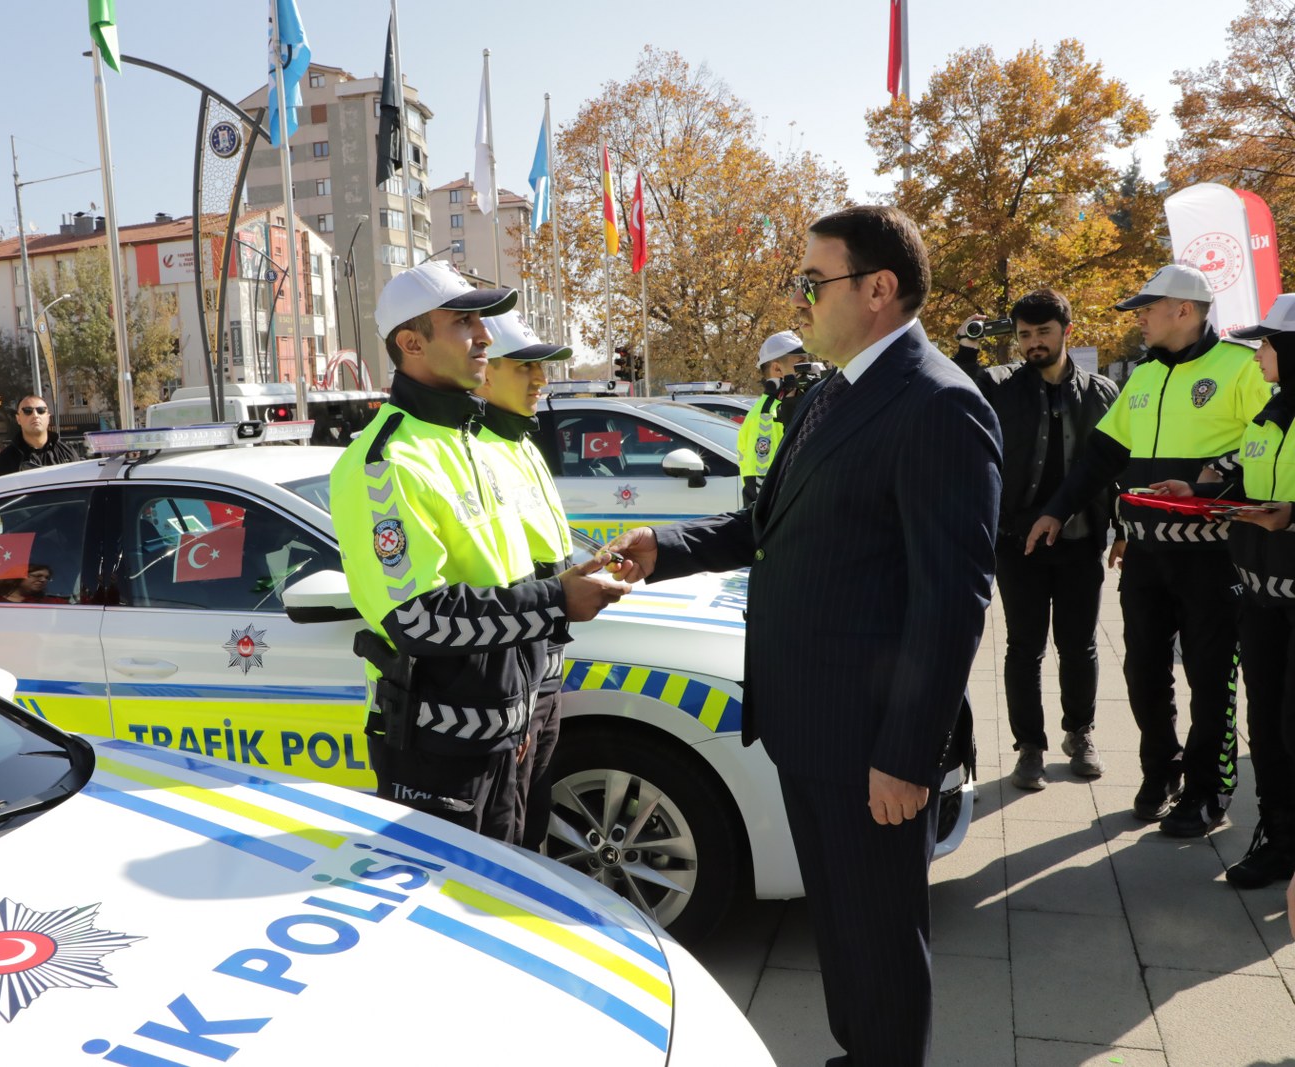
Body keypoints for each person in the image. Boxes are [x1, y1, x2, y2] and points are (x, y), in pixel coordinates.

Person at [608, 204, 1002, 1067]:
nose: (801, 298)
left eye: (812, 281)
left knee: (883, 938)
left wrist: (907, 754)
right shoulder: (830, 392)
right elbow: (769, 521)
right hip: (803, 723)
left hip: (871, 746)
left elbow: (952, 599)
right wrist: (661, 547)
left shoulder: (938, 404)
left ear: (878, 288)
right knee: (842, 925)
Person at [329, 260, 629, 842]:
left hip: (508, 727)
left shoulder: (470, 440)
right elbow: (416, 619)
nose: (486, 336)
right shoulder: (386, 460)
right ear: (412, 343)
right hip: (441, 750)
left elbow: (505, 576)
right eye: (465, 321)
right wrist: (558, 598)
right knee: (451, 914)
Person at [1028, 265, 1271, 835]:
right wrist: (1055, 511)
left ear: (1183, 310)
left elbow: (1273, 437)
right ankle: (1160, 771)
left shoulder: (1240, 366)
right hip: (1144, 554)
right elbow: (1102, 455)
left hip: (1215, 558)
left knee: (1211, 677)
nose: (1138, 315)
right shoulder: (1142, 376)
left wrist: (1216, 479)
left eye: (1147, 306)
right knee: (1143, 671)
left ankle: (1209, 790)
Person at [1148, 295, 1295, 887]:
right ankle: (1280, 840)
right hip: (1259, 598)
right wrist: (1198, 489)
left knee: (1291, 726)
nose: (1257, 353)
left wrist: (1289, 517)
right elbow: (1240, 473)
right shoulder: (1269, 415)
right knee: (1267, 728)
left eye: (1266, 343)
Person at [953, 290, 1120, 790]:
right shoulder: (1000, 385)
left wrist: (1124, 528)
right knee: (1024, 648)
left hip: (1080, 539)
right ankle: (1029, 746)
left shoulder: (1100, 393)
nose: (1033, 343)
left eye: (1043, 332)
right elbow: (953, 396)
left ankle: (1080, 733)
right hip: (1017, 541)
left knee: (1080, 645)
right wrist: (966, 348)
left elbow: (1117, 466)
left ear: (1066, 331)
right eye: (1024, 335)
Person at [473, 310, 575, 851]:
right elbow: (498, 583)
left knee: (533, 820)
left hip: (546, 675)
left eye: (543, 368)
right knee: (506, 840)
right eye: (524, 368)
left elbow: (545, 556)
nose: (541, 380)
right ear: (485, 372)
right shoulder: (477, 453)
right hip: (519, 679)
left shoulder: (520, 442)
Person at [737, 330, 805, 504]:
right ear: (777, 369)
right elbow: (760, 477)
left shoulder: (789, 404)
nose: (808, 368)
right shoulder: (767, 414)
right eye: (801, 362)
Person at [0, 395, 79, 476]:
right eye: (27, 411)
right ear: (18, 419)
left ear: (48, 417)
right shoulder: (6, 459)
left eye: (41, 410)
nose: (35, 415)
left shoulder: (67, 453)